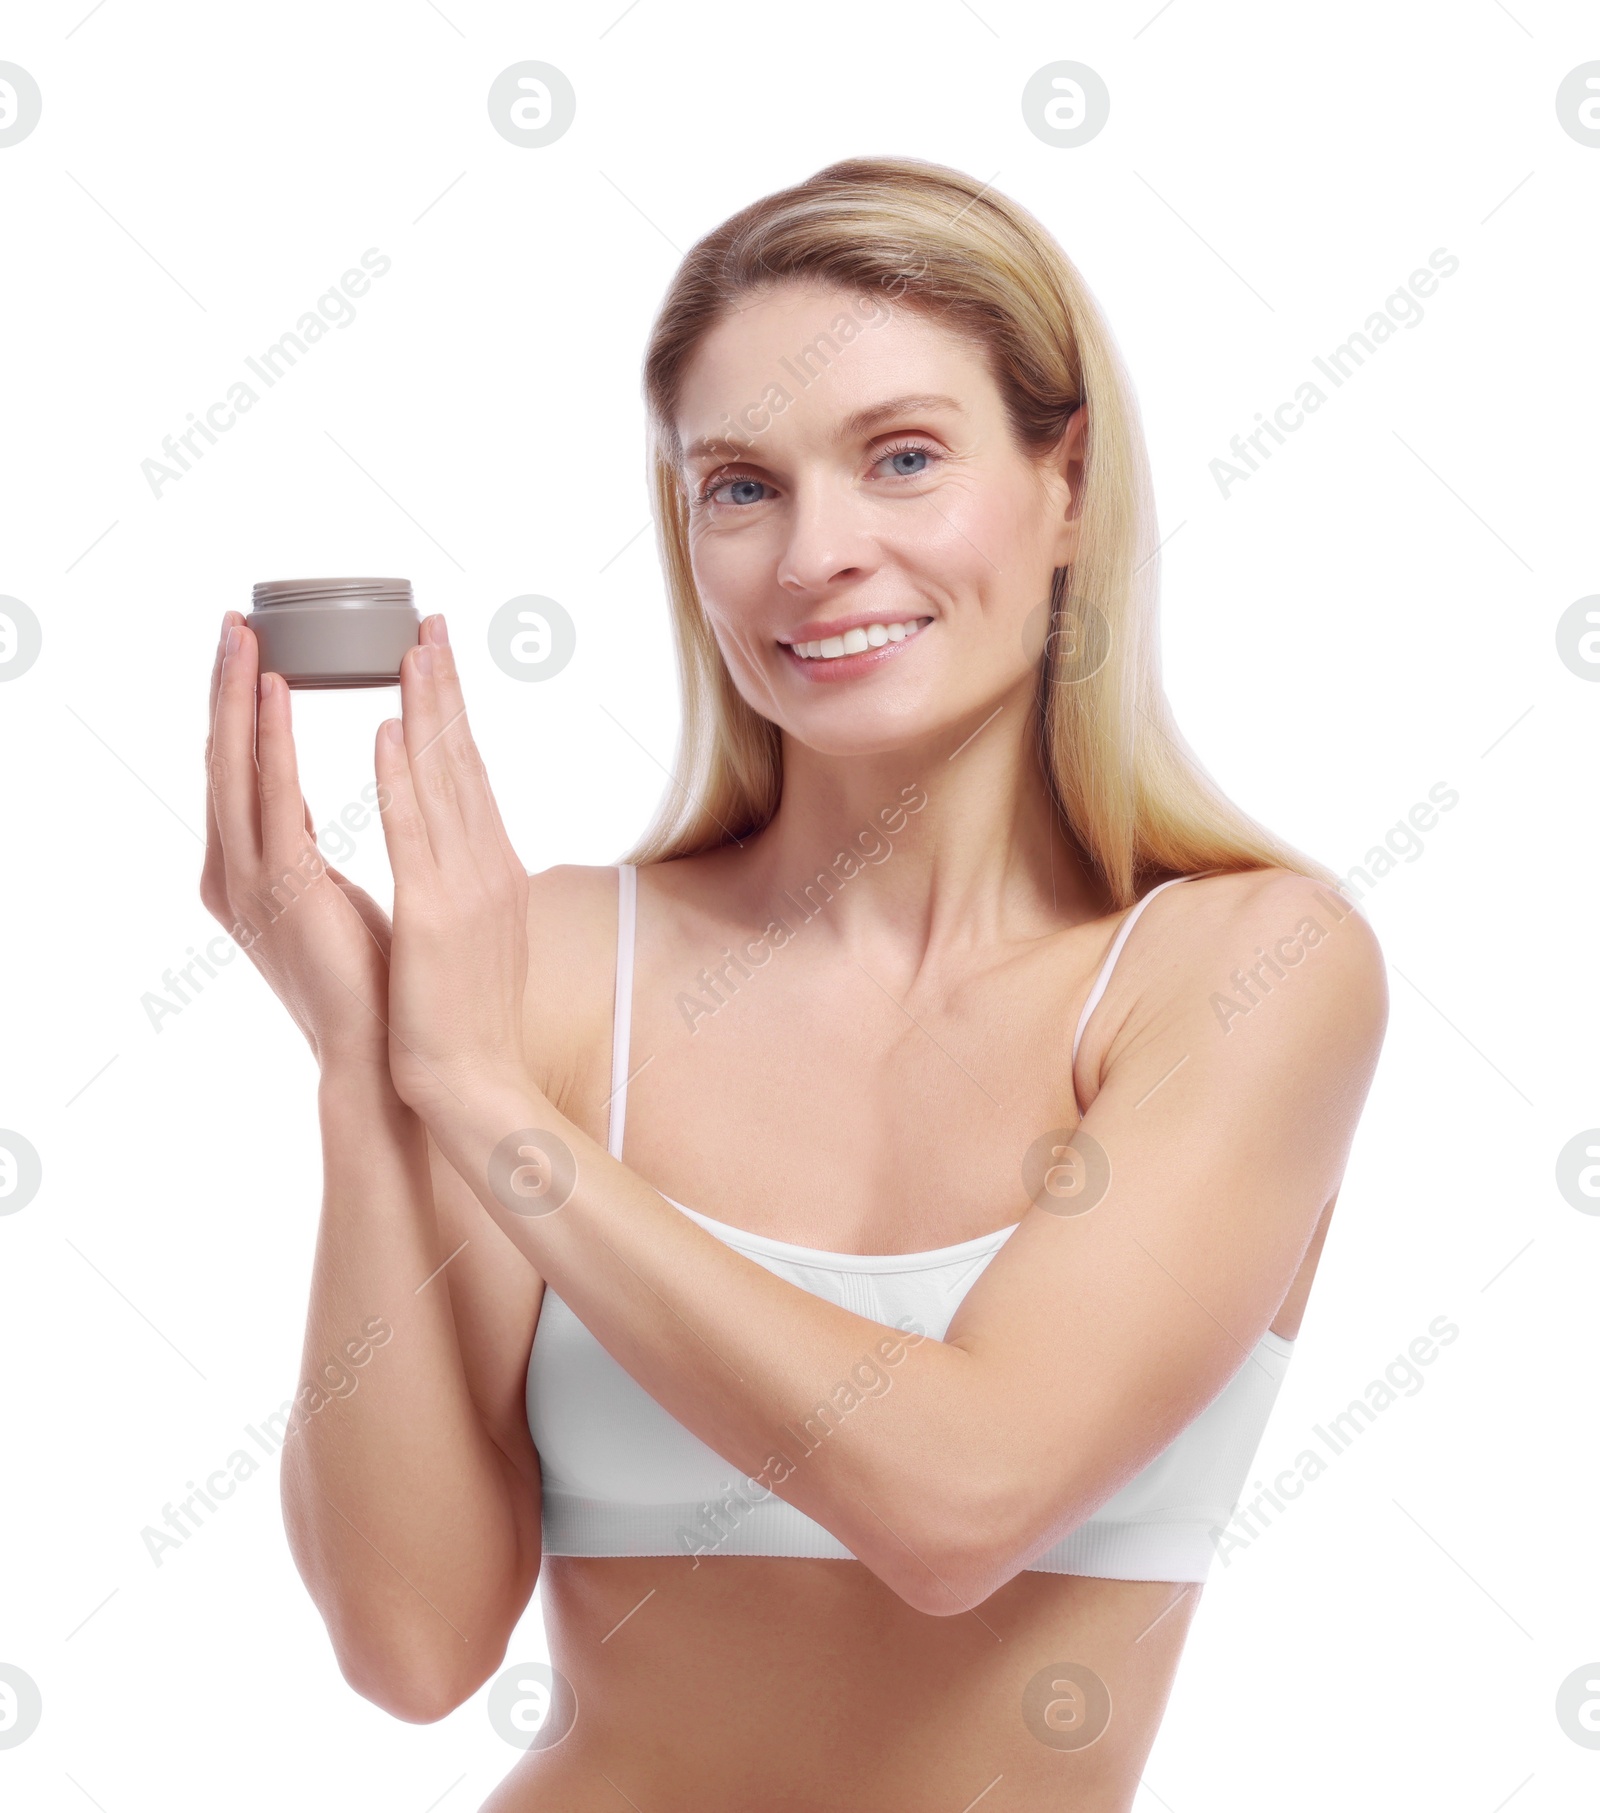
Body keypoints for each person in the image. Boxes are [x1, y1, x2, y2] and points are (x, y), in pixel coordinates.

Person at [201, 156, 1387, 1810]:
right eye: (740, 487)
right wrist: (365, 1061)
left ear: (1067, 483)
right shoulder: (544, 970)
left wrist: (476, 1097)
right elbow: (410, 1646)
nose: (818, 552)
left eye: (903, 458)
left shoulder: (1241, 970)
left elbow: (957, 1504)